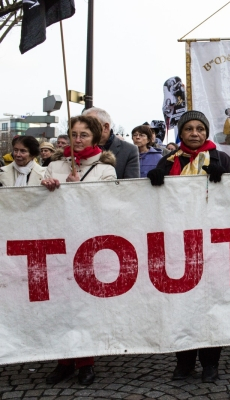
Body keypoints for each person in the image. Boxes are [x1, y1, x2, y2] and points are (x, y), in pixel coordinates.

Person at [147, 111, 230, 382]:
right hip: (177, 243)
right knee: (181, 305)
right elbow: (153, 204)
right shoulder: (169, 160)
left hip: (211, 244)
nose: (195, 133)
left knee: (209, 305)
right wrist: (152, 182)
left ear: (206, 133)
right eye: (189, 129)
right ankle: (184, 361)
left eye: (200, 128)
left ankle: (211, 363)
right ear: (181, 133)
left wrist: (228, 181)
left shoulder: (222, 159)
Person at [40, 115, 116, 385]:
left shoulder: (105, 168)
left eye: (84, 134)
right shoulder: (55, 165)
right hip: (59, 245)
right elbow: (38, 205)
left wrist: (78, 189)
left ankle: (86, 363)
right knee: (61, 307)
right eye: (74, 134)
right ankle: (63, 362)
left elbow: (107, 205)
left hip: (89, 246)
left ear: (95, 138)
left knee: (85, 308)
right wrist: (47, 189)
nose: (78, 139)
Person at [82, 107, 140, 179]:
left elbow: (131, 185)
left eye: (90, 125)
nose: (84, 129)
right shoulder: (78, 147)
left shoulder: (129, 150)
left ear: (106, 127)